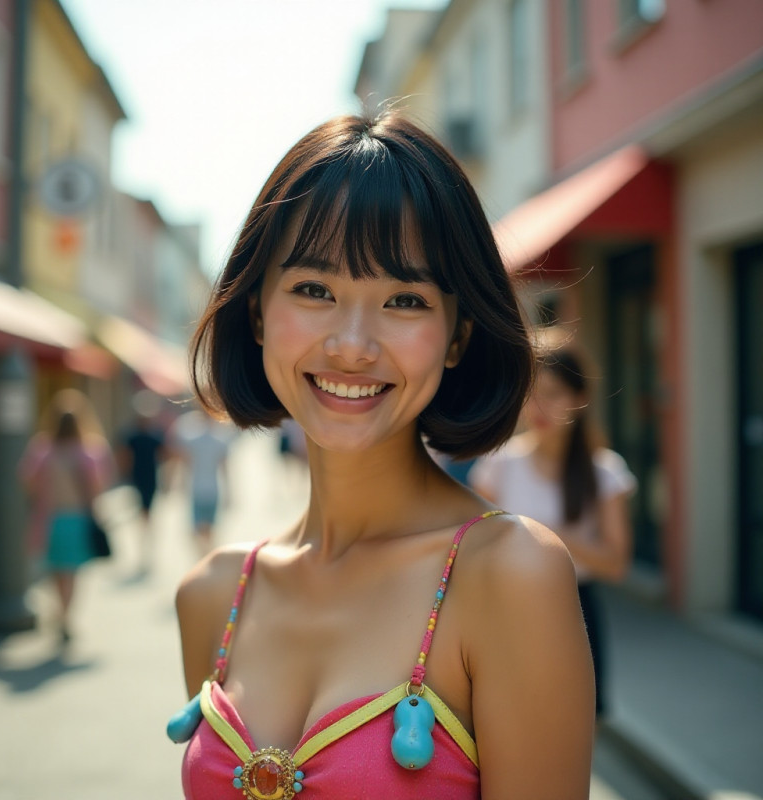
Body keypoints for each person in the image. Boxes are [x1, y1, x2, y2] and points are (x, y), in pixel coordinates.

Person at [171, 113, 595, 799]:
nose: (352, 345)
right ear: (255, 312)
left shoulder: (510, 575)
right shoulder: (213, 594)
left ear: (456, 337)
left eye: (403, 300)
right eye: (314, 290)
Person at [470, 328, 636, 719]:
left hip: (576, 610)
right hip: (507, 609)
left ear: (579, 398)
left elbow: (616, 563)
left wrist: (545, 536)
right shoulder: (498, 466)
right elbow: (470, 550)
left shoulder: (604, 471)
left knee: (576, 728)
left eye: (554, 394)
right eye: (532, 395)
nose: (539, 407)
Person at [19, 389, 111, 641]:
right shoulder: (90, 451)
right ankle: (66, 616)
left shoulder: (42, 449)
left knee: (54, 570)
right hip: (77, 519)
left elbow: (27, 482)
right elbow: (97, 488)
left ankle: (60, 612)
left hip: (48, 519)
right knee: (72, 574)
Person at [169, 407, 236, 556]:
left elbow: (183, 463)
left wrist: (177, 484)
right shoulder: (218, 439)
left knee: (198, 530)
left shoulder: (193, 439)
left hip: (198, 489)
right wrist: (229, 492)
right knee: (207, 529)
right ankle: (208, 555)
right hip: (210, 489)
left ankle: (204, 555)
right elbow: (224, 469)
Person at [116, 389, 168, 569]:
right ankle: (143, 543)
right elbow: (124, 456)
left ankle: (146, 544)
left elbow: (164, 455)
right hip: (137, 478)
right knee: (141, 513)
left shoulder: (154, 434)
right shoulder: (132, 434)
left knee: (147, 513)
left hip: (150, 478)